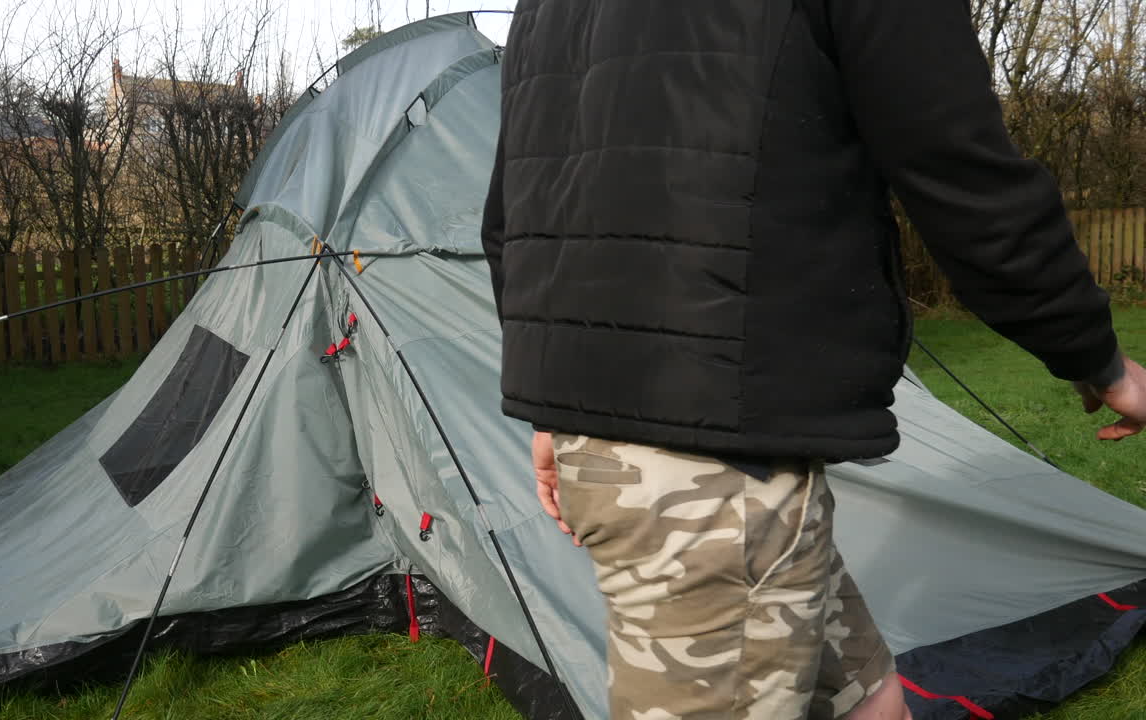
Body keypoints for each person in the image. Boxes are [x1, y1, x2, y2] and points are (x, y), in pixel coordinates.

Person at [480, 1, 1146, 718]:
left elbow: (517, 211)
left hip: (649, 450)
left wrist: (556, 409)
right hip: (711, 473)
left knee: (869, 702)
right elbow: (961, 173)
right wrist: (1098, 359)